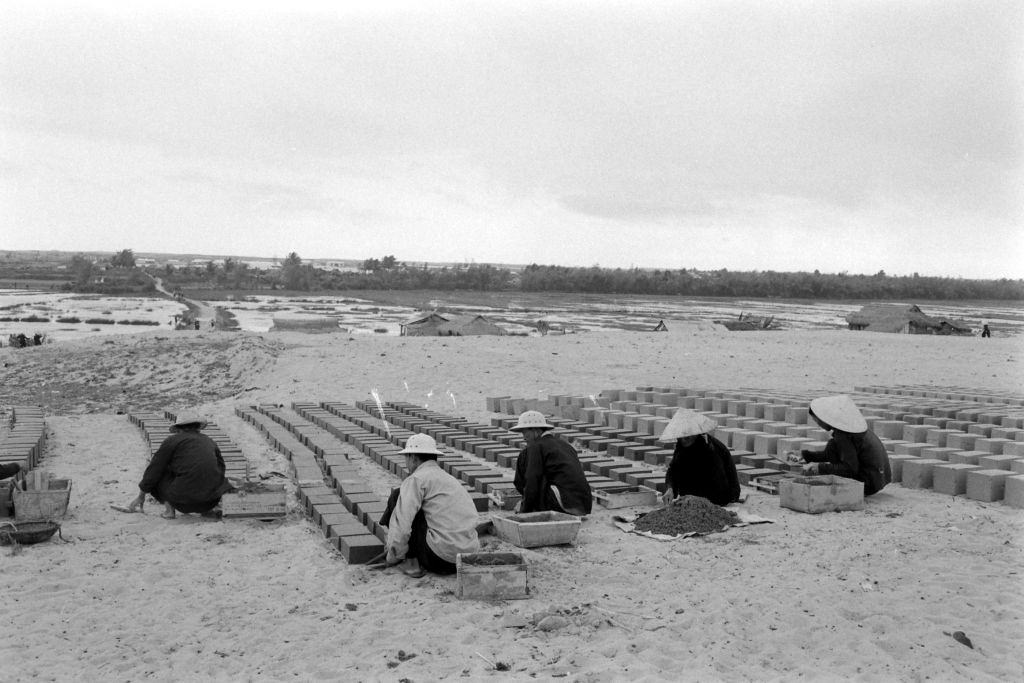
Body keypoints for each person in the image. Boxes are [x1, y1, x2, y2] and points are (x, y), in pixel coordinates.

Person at [380, 434, 481, 577]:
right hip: (468, 558)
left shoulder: (416, 479)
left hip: (440, 559)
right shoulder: (449, 479)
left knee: (397, 497)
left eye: (406, 458)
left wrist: (393, 556)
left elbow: (402, 525)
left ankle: (410, 561)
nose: (406, 463)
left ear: (413, 458)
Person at [122, 414, 232, 518]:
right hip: (210, 502)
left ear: (179, 428)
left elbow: (154, 469)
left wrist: (141, 496)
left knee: (159, 471)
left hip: (181, 502)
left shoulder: (172, 441)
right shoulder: (209, 441)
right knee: (207, 472)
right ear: (198, 427)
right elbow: (221, 467)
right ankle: (206, 511)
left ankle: (169, 511)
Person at [793, 395, 892, 496]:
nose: (818, 424)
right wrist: (806, 456)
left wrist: (820, 468)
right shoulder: (852, 426)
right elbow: (831, 454)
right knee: (832, 445)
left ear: (825, 417)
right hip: (879, 478)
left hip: (868, 483)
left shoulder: (844, 435)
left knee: (823, 481)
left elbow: (849, 469)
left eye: (816, 420)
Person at [511, 410, 592, 516]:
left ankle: (534, 507)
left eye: (525, 432)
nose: (523, 437)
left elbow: (532, 481)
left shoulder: (536, 447)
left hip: (565, 505)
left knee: (531, 476)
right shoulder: (565, 445)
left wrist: (524, 510)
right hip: (584, 506)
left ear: (535, 430)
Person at [658, 409, 740, 506]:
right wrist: (670, 488)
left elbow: (720, 487)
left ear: (696, 433)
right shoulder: (681, 447)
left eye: (687, 437)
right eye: (680, 437)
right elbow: (673, 470)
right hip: (690, 499)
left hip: (719, 498)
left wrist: (696, 499)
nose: (683, 440)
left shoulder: (711, 449)